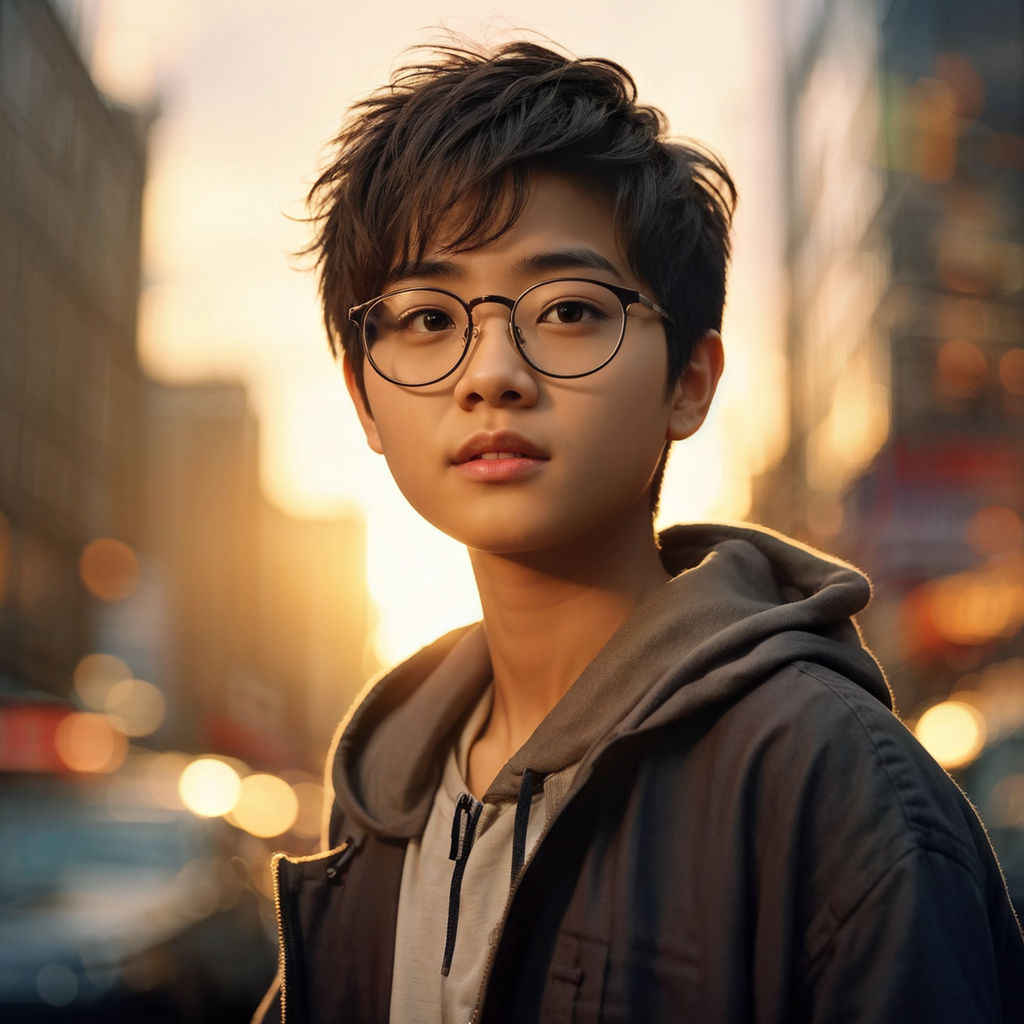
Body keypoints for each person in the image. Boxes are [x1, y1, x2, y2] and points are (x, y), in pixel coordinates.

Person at [253, 39, 1024, 1024]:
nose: (491, 371)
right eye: (426, 316)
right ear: (364, 397)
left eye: (569, 308)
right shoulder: (383, 805)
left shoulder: (835, 792)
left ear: (689, 382)